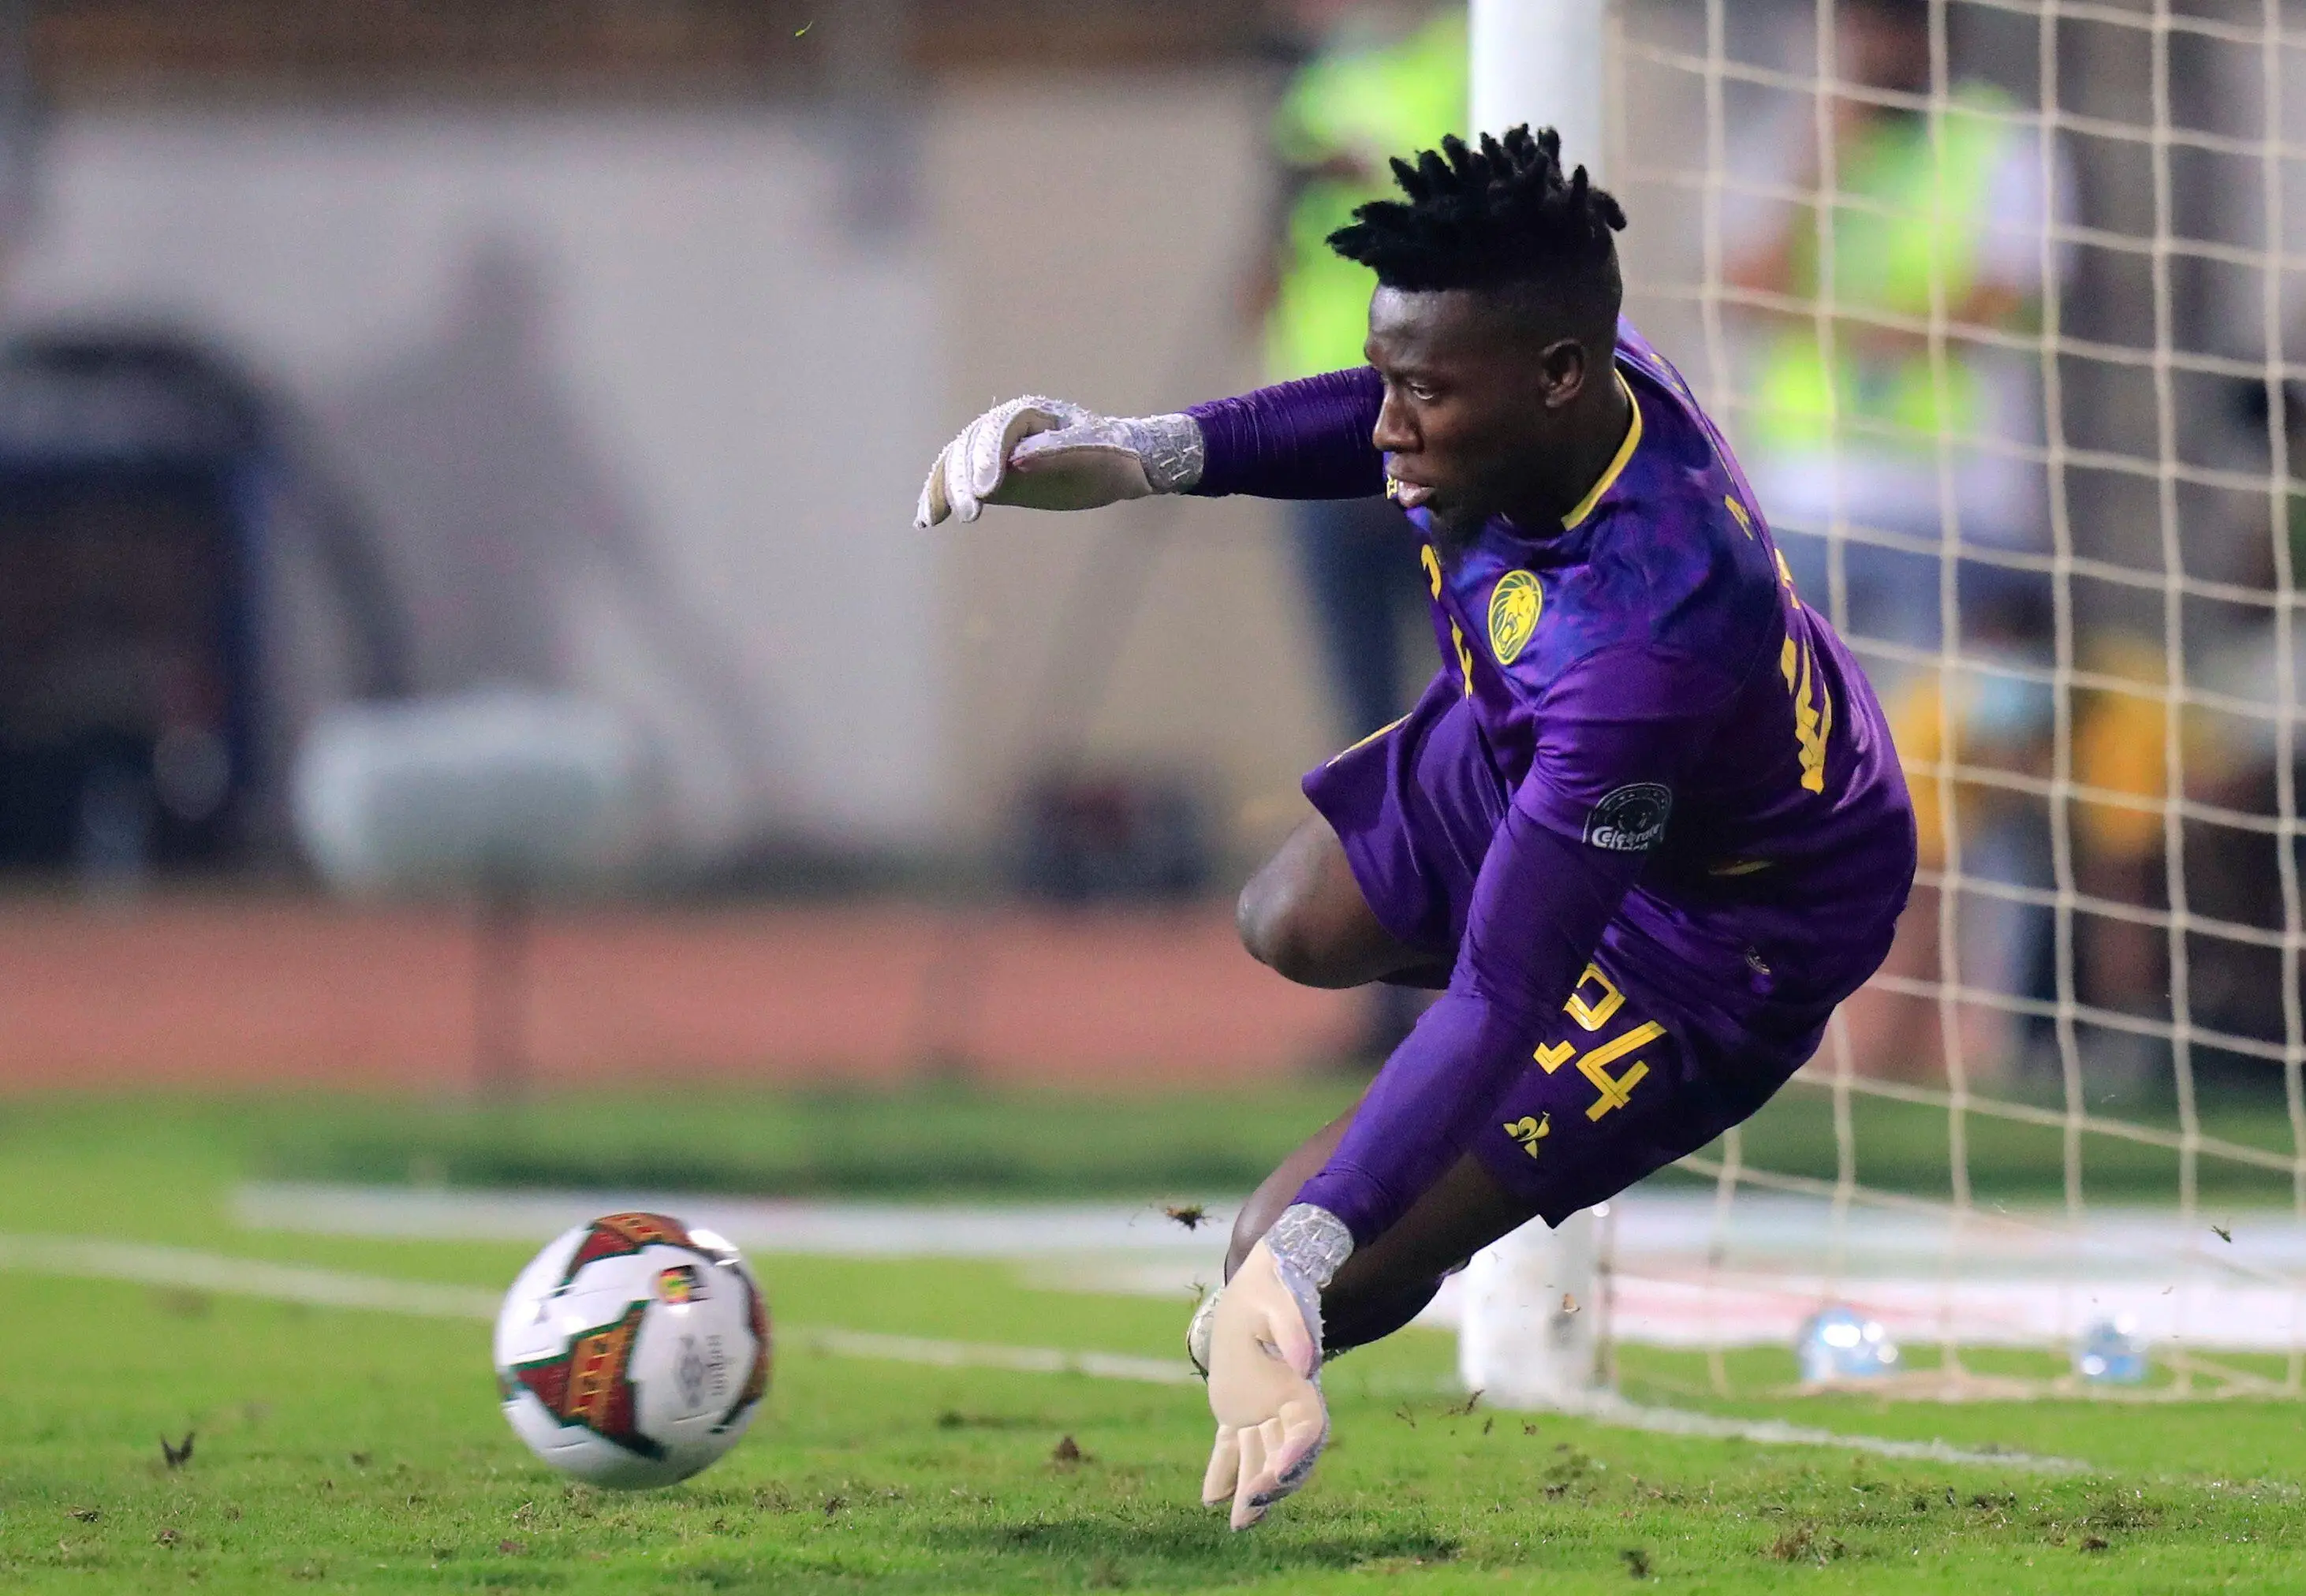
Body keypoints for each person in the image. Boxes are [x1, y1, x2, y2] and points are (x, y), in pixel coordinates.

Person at [915, 129, 1916, 1531]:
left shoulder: (1652, 628)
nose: (1387, 426)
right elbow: (1373, 404)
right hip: (1542, 742)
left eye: (1420, 395)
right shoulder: (1555, 385)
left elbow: (1511, 983)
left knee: (1290, 1251)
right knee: (1290, 916)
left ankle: (1447, 1160)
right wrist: (1138, 450)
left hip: (1729, 926)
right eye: (1389, 378)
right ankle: (1433, 1120)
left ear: (1558, 379)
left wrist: (1304, 1251)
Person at [1727, 0, 2069, 657]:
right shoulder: (1794, 136)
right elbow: (1740, 289)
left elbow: (1987, 307)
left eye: (1902, 25)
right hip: (1808, 497)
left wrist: (1821, 325)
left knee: (1934, 735)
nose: (1886, 46)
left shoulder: (2002, 142)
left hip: (1957, 503)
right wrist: (1818, 168)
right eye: (1868, 25)